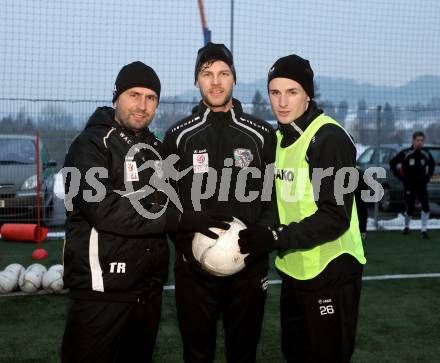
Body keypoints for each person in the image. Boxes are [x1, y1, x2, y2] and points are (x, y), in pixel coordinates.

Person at [61, 61, 232, 363]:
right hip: (101, 295)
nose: (142, 105)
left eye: (151, 98)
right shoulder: (88, 146)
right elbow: (103, 209)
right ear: (116, 97)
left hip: (147, 293)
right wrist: (177, 219)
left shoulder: (156, 149)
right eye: (134, 95)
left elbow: (175, 202)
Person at [238, 54, 366, 362]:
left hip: (331, 272)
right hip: (296, 272)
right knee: (295, 353)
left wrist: (275, 238)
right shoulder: (282, 138)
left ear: (308, 94)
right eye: (275, 92)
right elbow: (283, 203)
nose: (282, 102)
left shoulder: (328, 139)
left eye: (291, 92)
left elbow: (335, 216)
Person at [163, 42, 277, 362]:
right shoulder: (177, 136)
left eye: (223, 73)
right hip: (194, 271)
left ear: (234, 79)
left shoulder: (261, 134)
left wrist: (262, 236)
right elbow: (166, 201)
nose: (216, 81)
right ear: (196, 81)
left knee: (243, 354)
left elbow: (272, 198)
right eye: (207, 74)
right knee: (197, 355)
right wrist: (186, 244)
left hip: (248, 269)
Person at [389, 131, 435, 239]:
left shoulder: (426, 153)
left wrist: (428, 177)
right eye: (418, 140)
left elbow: (432, 165)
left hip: (422, 185)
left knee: (426, 206)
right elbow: (392, 163)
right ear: (413, 140)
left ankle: (423, 230)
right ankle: (406, 226)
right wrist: (401, 177)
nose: (420, 143)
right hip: (409, 185)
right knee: (410, 207)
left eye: (422, 141)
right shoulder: (406, 153)